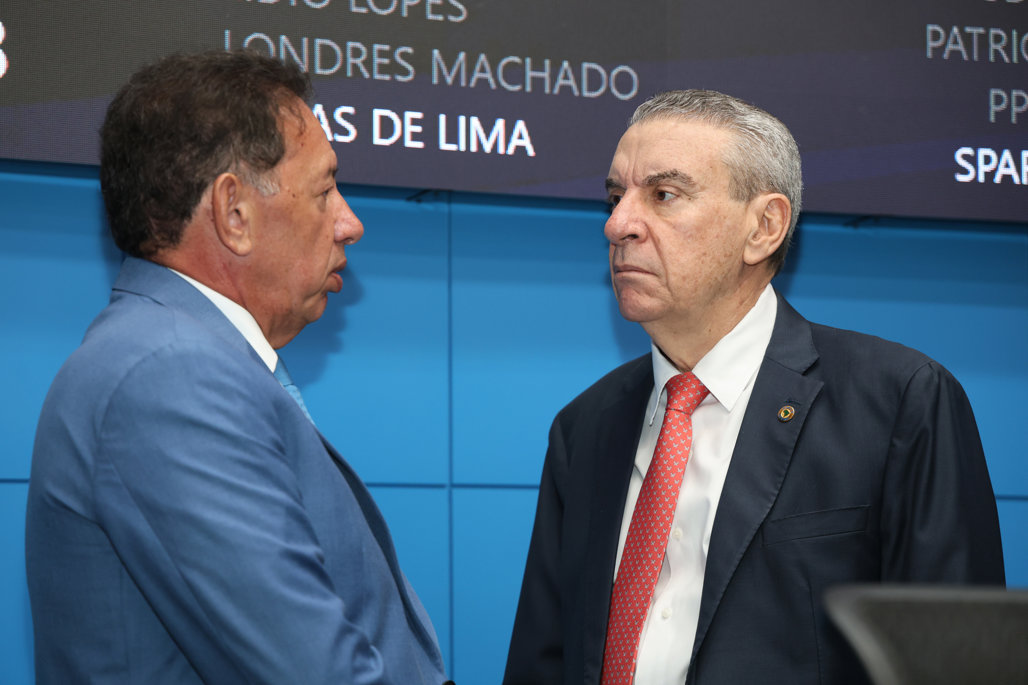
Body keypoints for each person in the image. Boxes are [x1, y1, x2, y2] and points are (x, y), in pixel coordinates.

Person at [503, 90, 1005, 685]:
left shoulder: (900, 402)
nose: (617, 225)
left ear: (764, 227)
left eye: (663, 195)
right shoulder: (585, 427)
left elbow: (956, 663)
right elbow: (543, 662)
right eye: (616, 198)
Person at [25, 50, 451, 685]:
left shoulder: (175, 359)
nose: (350, 223)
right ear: (234, 214)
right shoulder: (168, 376)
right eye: (325, 190)